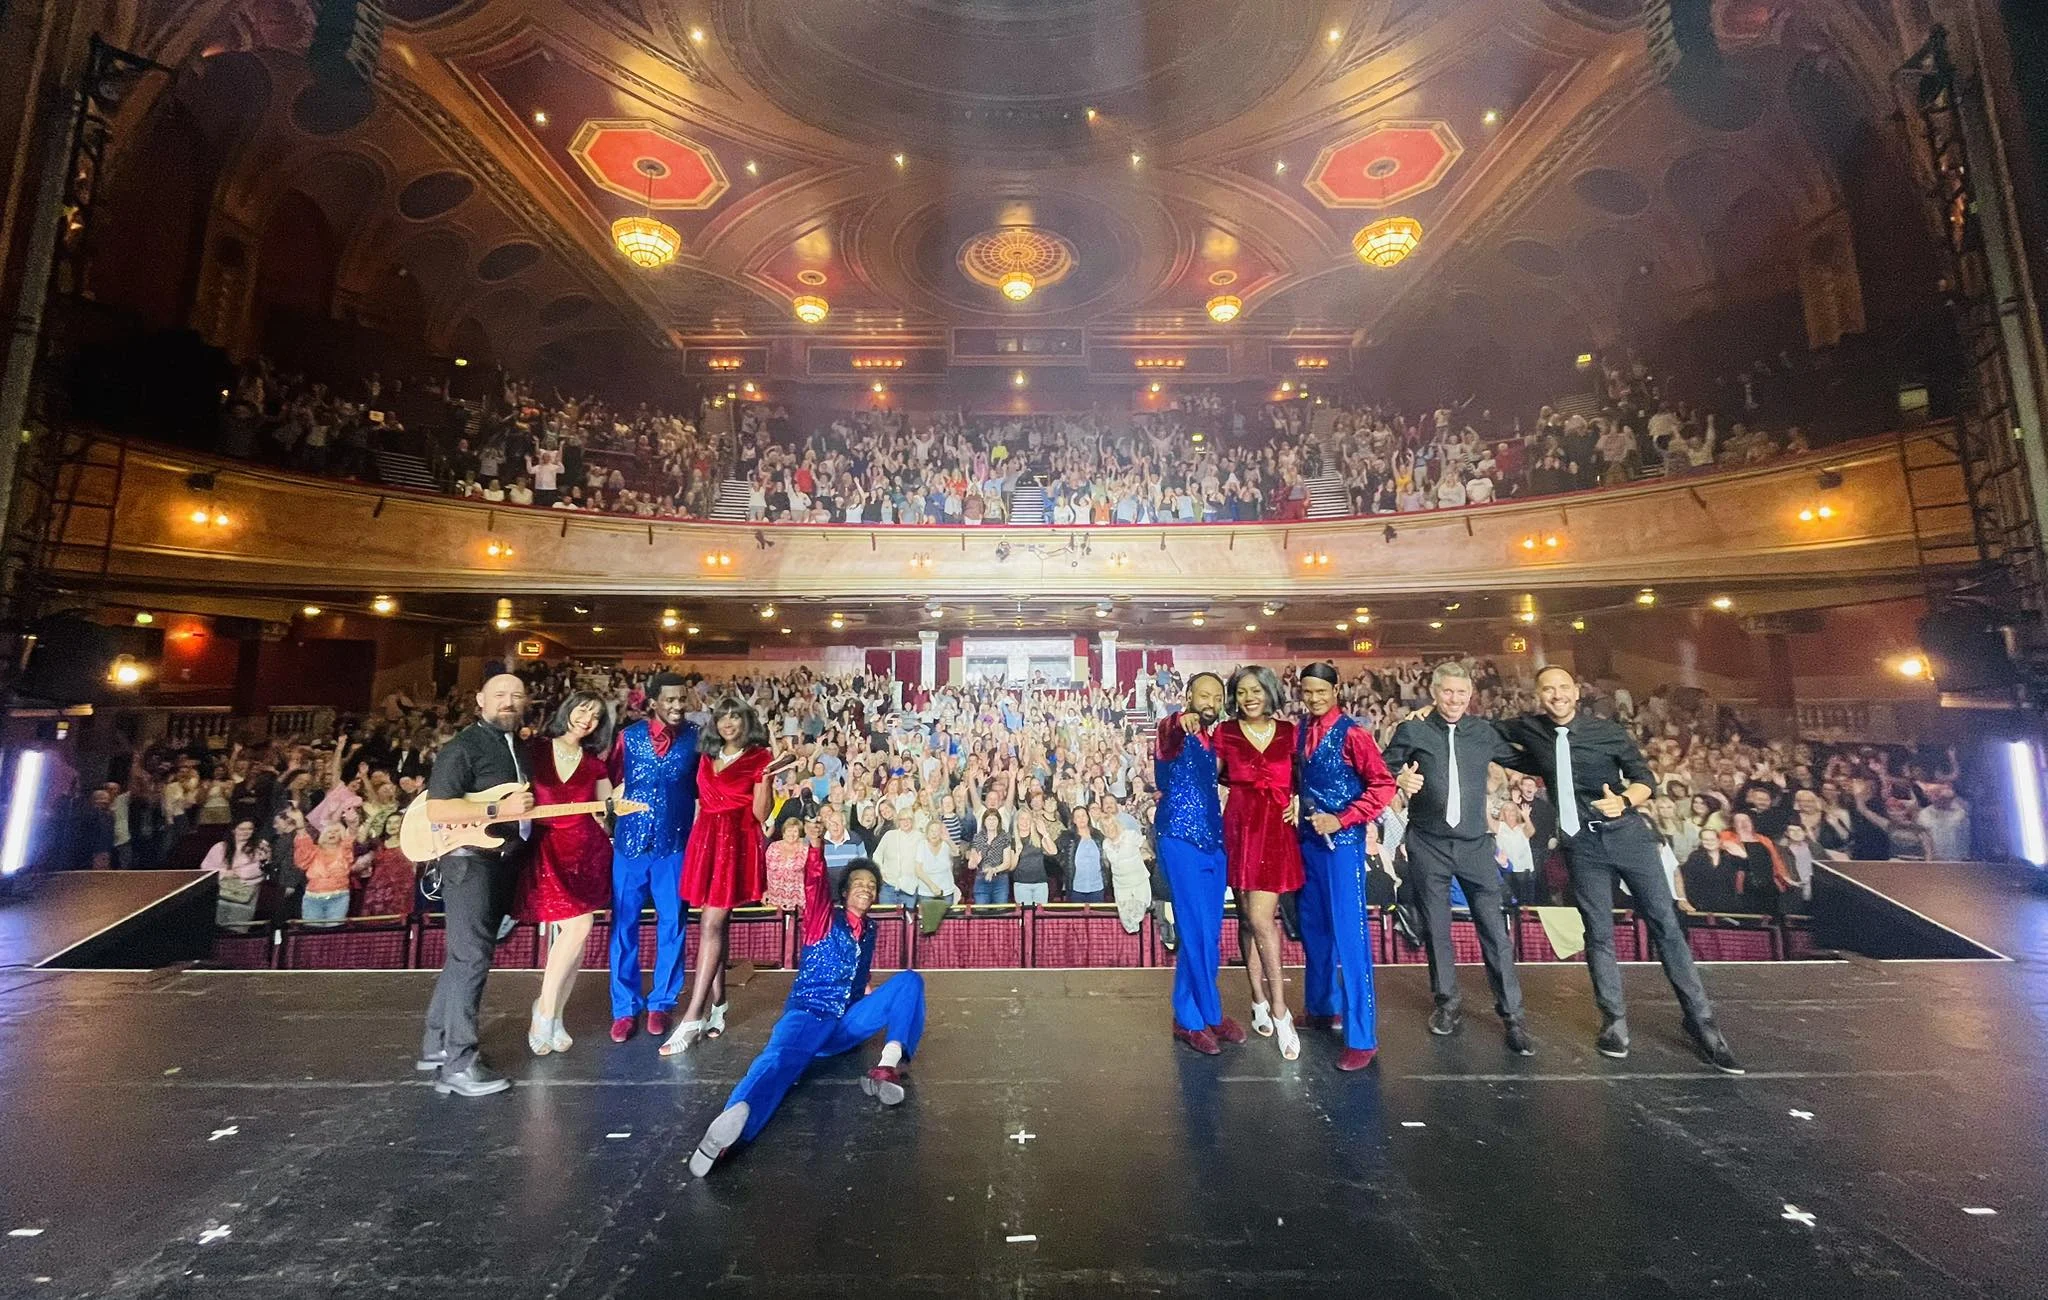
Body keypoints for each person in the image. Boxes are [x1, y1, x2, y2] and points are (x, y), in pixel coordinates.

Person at [1502, 665, 1743, 1074]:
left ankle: (1702, 1023)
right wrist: (1427, 718)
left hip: (1628, 836)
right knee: (1598, 933)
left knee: (1665, 924)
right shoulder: (1529, 729)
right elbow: (1475, 732)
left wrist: (1626, 801)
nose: (1557, 695)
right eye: (1548, 690)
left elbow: (1644, 778)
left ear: (1576, 693)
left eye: (1563, 688)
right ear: (1538, 696)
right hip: (1583, 846)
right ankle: (1613, 1021)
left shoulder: (1607, 732)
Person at [687, 848, 925, 1178]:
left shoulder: (871, 931)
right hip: (808, 1016)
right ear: (843, 892)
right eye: (859, 883)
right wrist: (815, 850)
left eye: (872, 886)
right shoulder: (822, 918)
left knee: (910, 981)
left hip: (845, 1024)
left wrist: (870, 993)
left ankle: (886, 1067)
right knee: (778, 1061)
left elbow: (860, 970)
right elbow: (813, 884)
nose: (866, 889)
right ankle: (730, 1132)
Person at [1383, 661, 1533, 1057]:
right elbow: (1381, 768)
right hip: (1428, 843)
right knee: (1436, 929)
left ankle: (1513, 1016)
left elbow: (1522, 760)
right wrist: (1398, 779)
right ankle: (1446, 1005)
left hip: (1475, 846)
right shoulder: (1412, 730)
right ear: (1434, 691)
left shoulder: (1482, 732)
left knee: (1495, 934)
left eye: (1462, 694)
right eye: (1448, 692)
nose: (1454, 700)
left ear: (1471, 696)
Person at [418, 673, 536, 1098]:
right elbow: (437, 808)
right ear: (480, 700)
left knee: (462, 957)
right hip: (468, 865)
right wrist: (495, 807)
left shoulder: (515, 746)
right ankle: (460, 1064)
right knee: (471, 960)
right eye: (500, 695)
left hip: (499, 863)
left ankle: (435, 1044)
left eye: (516, 696)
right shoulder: (463, 746)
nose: (508, 702)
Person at [1293, 662, 1400, 1071]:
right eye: (1308, 692)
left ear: (1336, 690)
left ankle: (1362, 1036)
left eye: (1321, 691)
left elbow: (1383, 785)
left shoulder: (1353, 733)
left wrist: (1343, 819)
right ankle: (1322, 1008)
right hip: (1309, 844)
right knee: (1315, 928)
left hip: (1342, 845)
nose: (1315, 698)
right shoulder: (1302, 730)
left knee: (1350, 937)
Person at [662, 697, 779, 1055]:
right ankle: (719, 1006)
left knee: (711, 923)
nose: (729, 724)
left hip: (736, 842)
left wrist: (768, 779)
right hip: (706, 838)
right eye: (723, 718)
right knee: (715, 925)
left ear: (747, 722)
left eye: (736, 717)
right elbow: (698, 799)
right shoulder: (706, 754)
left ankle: (693, 1016)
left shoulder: (760, 757)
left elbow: (760, 813)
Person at [1213, 665, 1304, 1060]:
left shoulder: (1289, 732)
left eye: (1257, 690)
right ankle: (1256, 997)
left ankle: (1280, 1009)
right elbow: (1208, 777)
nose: (1250, 697)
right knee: (1247, 917)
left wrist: (1299, 800)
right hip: (1239, 828)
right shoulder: (1225, 733)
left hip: (1276, 828)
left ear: (1270, 693)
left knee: (1263, 919)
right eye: (1242, 691)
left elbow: (1302, 777)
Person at [518, 691, 616, 1057]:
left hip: (586, 852)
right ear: (568, 711)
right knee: (578, 928)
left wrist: (612, 808)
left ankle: (555, 1016)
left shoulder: (594, 763)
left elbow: (606, 813)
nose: (586, 719)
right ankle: (543, 1010)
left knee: (576, 938)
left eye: (595, 716)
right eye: (582, 710)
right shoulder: (535, 751)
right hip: (547, 850)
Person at [1152, 673, 1246, 1055]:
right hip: (1179, 838)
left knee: (1208, 930)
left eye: (1216, 696)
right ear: (1189, 696)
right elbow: (1171, 729)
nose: (1209, 702)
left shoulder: (1218, 739)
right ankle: (1203, 1016)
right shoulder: (1172, 730)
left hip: (1214, 841)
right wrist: (1180, 720)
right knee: (1194, 930)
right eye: (1202, 695)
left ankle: (1188, 1014)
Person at [606, 672, 699, 1044]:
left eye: (682, 699)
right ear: (653, 701)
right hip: (629, 845)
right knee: (623, 927)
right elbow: (608, 781)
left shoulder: (695, 737)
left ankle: (662, 1001)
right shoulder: (627, 739)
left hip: (674, 844)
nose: (677, 706)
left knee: (673, 924)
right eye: (670, 700)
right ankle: (625, 1008)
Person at [200, 818, 268, 929]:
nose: (246, 832)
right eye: (242, 829)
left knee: (238, 925)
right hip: (222, 892)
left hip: (247, 892)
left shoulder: (260, 846)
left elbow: (263, 867)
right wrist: (224, 873)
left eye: (250, 829)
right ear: (233, 830)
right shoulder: (220, 847)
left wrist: (240, 873)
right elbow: (206, 868)